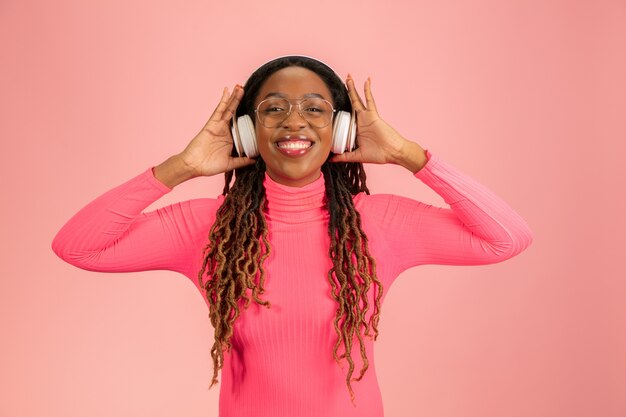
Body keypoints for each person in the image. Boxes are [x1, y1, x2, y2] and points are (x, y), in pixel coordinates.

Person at [52, 56, 533, 417]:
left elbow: (506, 238)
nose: (294, 121)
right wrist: (181, 167)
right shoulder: (209, 228)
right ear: (247, 132)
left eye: (315, 109)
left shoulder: (381, 222)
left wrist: (409, 154)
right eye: (274, 109)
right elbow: (78, 246)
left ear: (341, 130)